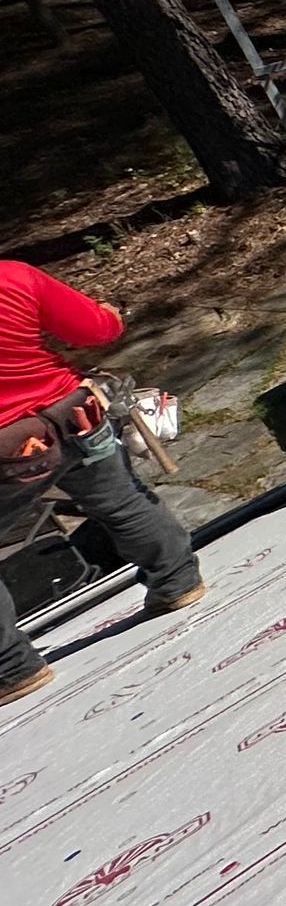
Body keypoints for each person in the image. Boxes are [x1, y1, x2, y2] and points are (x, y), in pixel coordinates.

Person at [0, 258, 203, 705]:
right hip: (72, 413)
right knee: (120, 501)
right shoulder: (13, 276)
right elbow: (97, 329)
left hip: (8, 447)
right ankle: (177, 581)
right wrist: (109, 312)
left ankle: (12, 669)